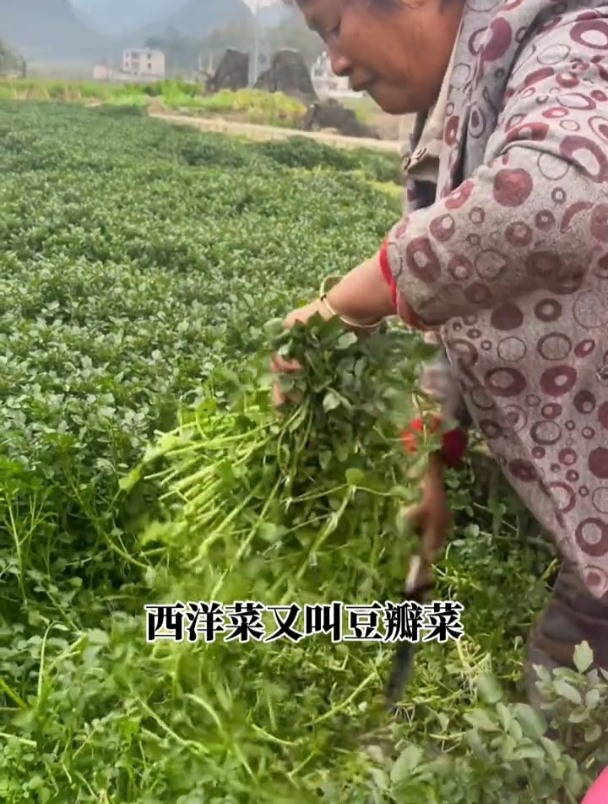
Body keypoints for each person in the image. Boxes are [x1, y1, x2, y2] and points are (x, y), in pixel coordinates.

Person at [271, 0, 608, 722]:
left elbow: (555, 199)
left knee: (565, 700)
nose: (333, 61)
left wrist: (352, 300)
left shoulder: (574, 38)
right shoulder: (452, 117)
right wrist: (430, 462)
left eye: (332, 25)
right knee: (567, 681)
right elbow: (450, 313)